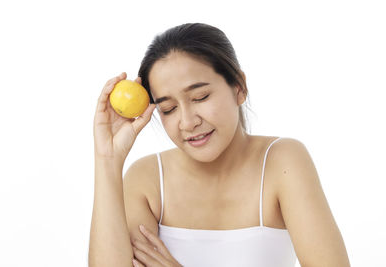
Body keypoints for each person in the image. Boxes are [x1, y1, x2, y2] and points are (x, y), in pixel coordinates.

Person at [89, 23, 351, 267]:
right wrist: (107, 160)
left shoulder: (283, 162)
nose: (188, 122)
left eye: (200, 97)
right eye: (168, 109)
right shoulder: (147, 178)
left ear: (239, 87)